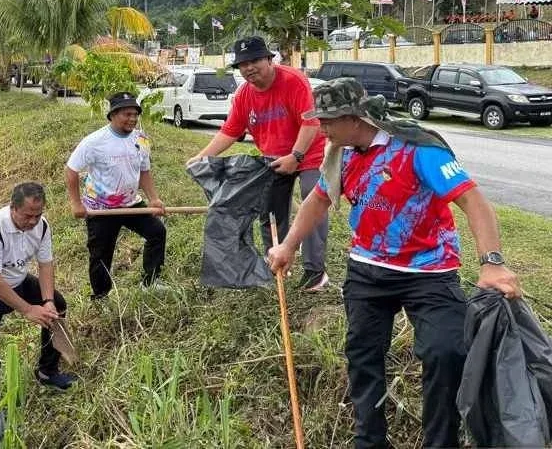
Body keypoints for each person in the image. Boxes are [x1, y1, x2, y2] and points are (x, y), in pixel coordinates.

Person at [267, 78, 521, 449]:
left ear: (354, 118)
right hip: (368, 270)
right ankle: (369, 441)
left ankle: (442, 441)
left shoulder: (419, 150)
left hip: (429, 272)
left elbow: (474, 202)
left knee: (445, 352)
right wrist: (288, 246)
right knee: (362, 354)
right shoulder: (342, 153)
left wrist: (492, 262)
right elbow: (318, 201)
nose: (320, 128)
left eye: (327, 120)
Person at [187, 36, 329, 291]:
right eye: (243, 64)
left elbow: (312, 122)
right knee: (271, 215)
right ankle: (278, 264)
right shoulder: (244, 95)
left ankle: (315, 271)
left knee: (314, 203)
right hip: (272, 160)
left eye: (254, 61)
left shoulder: (293, 81)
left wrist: (296, 157)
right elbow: (230, 131)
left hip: (309, 154)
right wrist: (202, 156)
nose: (249, 68)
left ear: (268, 59)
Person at [0, 182, 77, 390]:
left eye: (37, 215)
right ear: (13, 208)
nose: (32, 221)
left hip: (17, 279)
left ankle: (47, 372)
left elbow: (45, 264)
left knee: (57, 306)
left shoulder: (41, 227)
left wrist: (47, 300)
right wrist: (28, 309)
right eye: (27, 215)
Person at [66, 91, 167, 299]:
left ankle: (151, 282)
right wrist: (76, 204)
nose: (132, 119)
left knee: (157, 232)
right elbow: (71, 169)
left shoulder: (141, 139)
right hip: (101, 208)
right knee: (101, 254)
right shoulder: (94, 141)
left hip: (131, 204)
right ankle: (101, 296)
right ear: (112, 115)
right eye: (127, 114)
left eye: (135, 114)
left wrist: (153, 198)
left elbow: (144, 171)